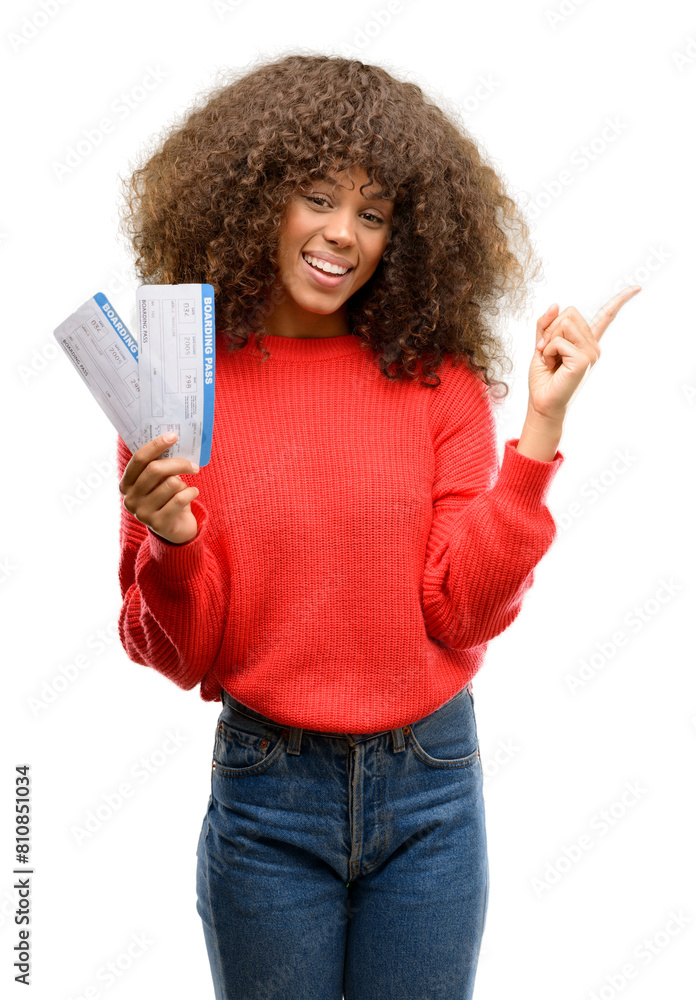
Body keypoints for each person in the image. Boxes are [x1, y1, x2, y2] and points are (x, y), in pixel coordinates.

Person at [115, 53, 639, 1000]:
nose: (341, 235)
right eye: (317, 197)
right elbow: (181, 654)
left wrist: (540, 435)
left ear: (405, 234)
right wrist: (173, 546)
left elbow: (462, 612)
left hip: (431, 787)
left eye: (373, 211)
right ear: (255, 198)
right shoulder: (176, 390)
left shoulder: (438, 385)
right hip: (267, 788)